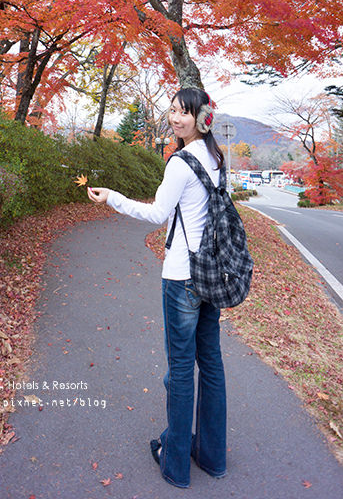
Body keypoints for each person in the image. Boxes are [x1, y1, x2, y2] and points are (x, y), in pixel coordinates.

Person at [88, 87, 227, 488]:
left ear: (202, 118)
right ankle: (212, 457)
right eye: (172, 110)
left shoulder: (181, 162)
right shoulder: (217, 158)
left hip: (183, 276)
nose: (175, 118)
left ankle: (175, 463)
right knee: (212, 365)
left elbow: (157, 214)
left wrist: (112, 197)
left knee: (182, 370)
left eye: (185, 112)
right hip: (212, 275)